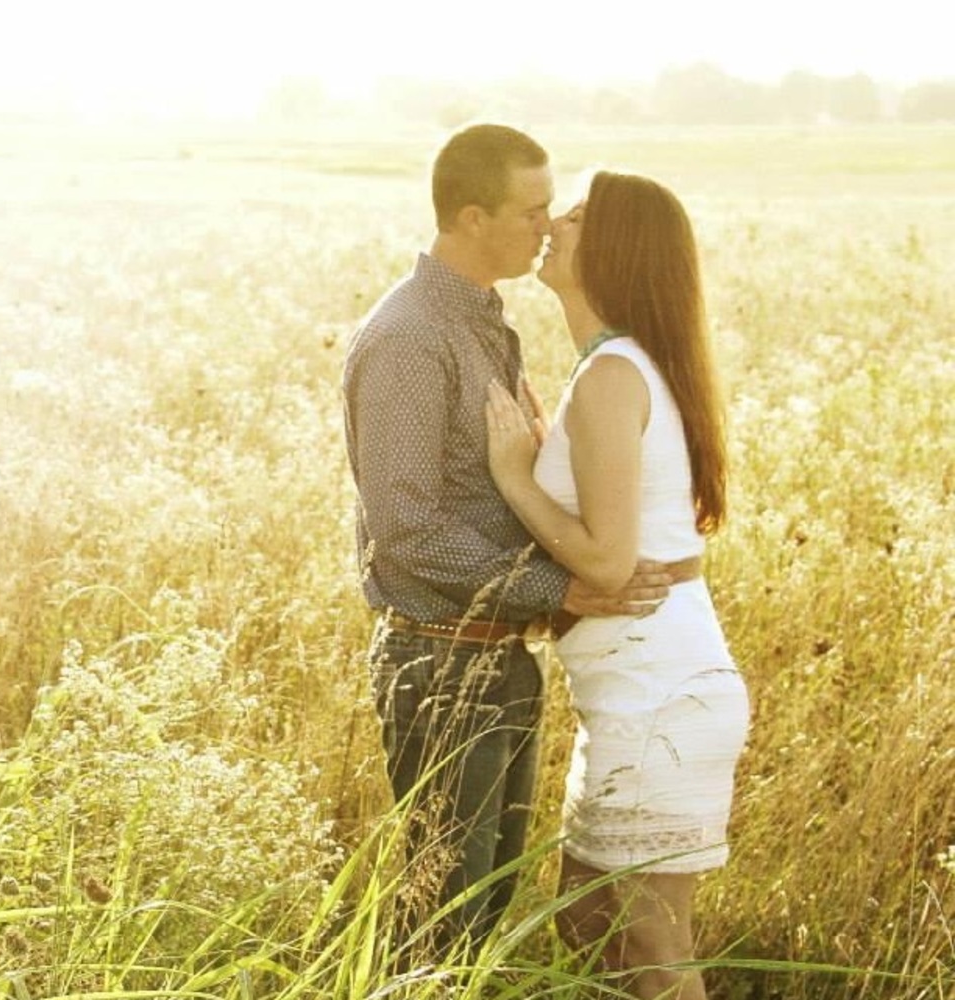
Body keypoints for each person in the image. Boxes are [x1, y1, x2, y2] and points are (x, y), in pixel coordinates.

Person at [342, 125, 689, 960]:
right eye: (533, 211)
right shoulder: (410, 338)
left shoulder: (483, 324)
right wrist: (561, 591)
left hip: (499, 656)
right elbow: (405, 529)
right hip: (439, 660)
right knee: (441, 917)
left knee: (485, 904)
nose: (550, 225)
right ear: (470, 216)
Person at [485, 171, 750, 998]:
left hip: (658, 695)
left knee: (650, 945)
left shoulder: (612, 376)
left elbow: (605, 561)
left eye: (581, 215)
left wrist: (515, 475)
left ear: (617, 249)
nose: (556, 221)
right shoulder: (614, 370)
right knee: (589, 923)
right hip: (644, 691)